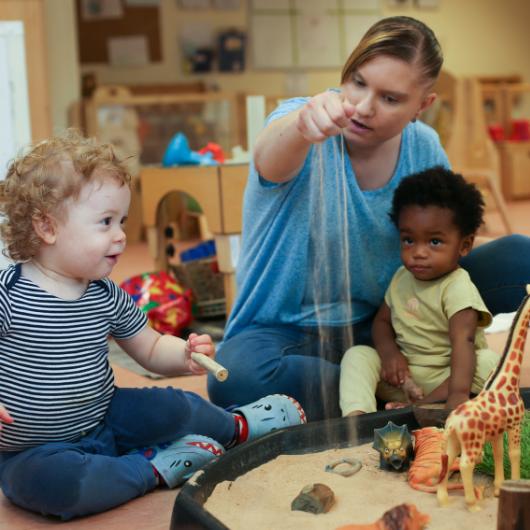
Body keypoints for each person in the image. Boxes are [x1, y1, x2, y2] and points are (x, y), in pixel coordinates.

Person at [208, 15, 530, 422]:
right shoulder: (301, 121)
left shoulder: (423, 146)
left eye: (390, 98)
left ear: (422, 106)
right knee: (233, 377)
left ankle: (387, 388)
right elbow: (269, 158)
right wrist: (303, 127)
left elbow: (448, 241)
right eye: (358, 82)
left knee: (520, 255)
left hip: (396, 318)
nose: (362, 108)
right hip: (289, 335)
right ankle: (386, 390)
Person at [0, 132, 306, 521]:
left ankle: (236, 425)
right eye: (105, 222)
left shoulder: (105, 294)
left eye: (122, 220)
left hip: (106, 416)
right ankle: (155, 467)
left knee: (174, 405)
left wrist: (184, 354)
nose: (121, 235)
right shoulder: (8, 295)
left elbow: (148, 346)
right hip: (32, 451)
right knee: (62, 488)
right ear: (47, 228)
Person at [339, 167, 500, 415]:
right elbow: (381, 322)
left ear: (464, 245)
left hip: (451, 378)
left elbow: (463, 342)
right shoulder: (402, 277)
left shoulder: (457, 287)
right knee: (358, 355)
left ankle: (428, 406)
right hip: (403, 378)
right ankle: (358, 417)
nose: (419, 252)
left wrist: (457, 396)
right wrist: (390, 354)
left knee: (489, 362)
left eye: (434, 242)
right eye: (409, 240)